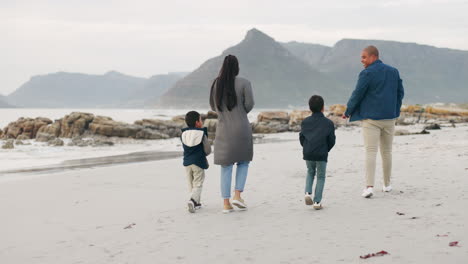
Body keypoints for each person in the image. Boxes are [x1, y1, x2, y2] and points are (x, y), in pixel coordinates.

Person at [342, 45, 405, 198]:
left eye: (364, 57)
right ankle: (387, 185)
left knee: (371, 152)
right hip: (390, 118)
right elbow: (400, 93)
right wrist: (395, 110)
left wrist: (348, 111)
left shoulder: (367, 73)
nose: (362, 61)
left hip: (371, 119)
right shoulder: (393, 71)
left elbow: (357, 94)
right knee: (387, 152)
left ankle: (369, 187)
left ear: (373, 56)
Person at [209, 54, 255, 213]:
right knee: (243, 162)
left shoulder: (216, 84)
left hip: (223, 130)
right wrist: (240, 112)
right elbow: (249, 104)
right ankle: (237, 195)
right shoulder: (244, 83)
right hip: (241, 127)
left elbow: (214, 107)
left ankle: (226, 204)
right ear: (237, 67)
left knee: (225, 166)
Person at [300, 95, 336, 210]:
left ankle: (307, 193)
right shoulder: (328, 123)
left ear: (310, 108)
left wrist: (306, 147)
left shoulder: (305, 122)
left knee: (310, 172)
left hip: (308, 152)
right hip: (321, 153)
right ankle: (317, 202)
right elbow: (332, 140)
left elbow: (301, 137)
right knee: (321, 176)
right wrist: (326, 149)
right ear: (323, 108)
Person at [181, 111, 211, 213]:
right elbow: (208, 150)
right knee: (198, 183)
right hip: (198, 162)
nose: (202, 122)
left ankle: (196, 203)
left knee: (191, 183)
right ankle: (193, 200)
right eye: (201, 120)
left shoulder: (183, 134)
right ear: (197, 122)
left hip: (187, 163)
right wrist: (204, 154)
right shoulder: (201, 133)